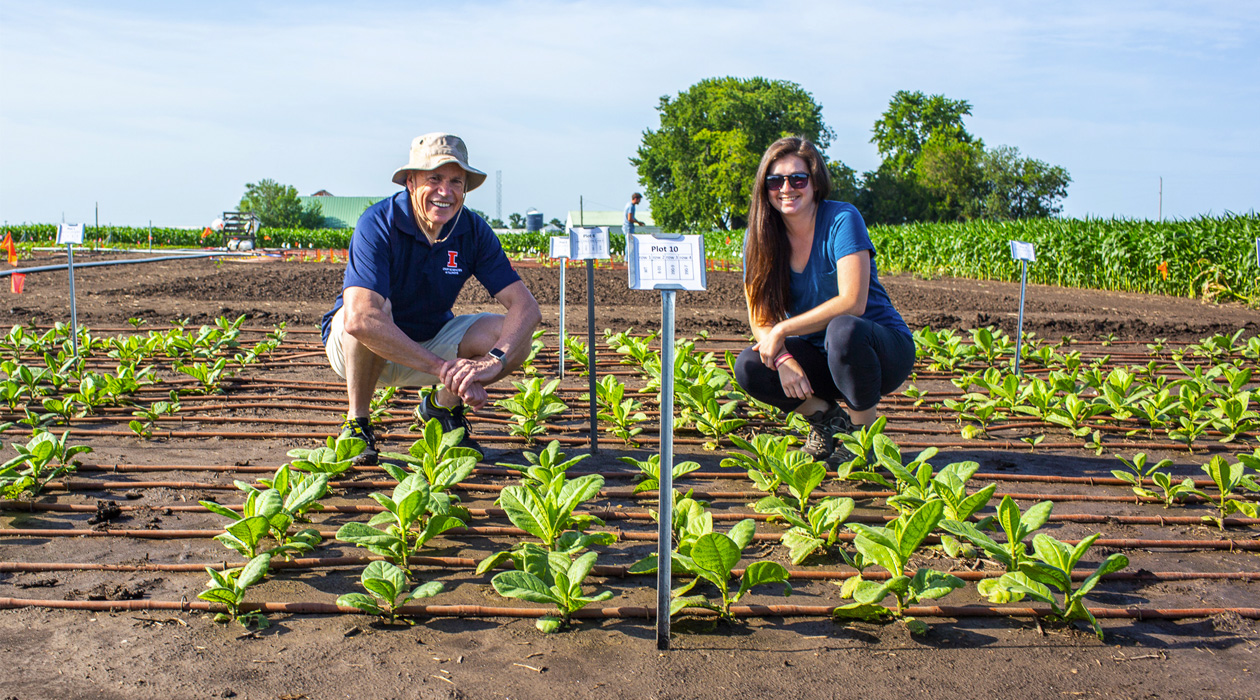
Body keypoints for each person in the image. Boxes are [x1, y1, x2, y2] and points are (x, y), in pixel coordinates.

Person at [321, 133, 541, 465]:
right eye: (434, 179)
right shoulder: (378, 223)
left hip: (430, 337)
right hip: (359, 351)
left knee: (515, 337)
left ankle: (441, 408)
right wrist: (443, 369)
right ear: (410, 182)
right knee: (371, 313)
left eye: (456, 181)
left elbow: (527, 307)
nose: (445, 192)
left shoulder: (472, 230)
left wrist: (493, 361)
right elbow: (359, 319)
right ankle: (358, 423)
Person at [734, 136, 915, 461]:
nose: (786, 188)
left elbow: (852, 302)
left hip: (877, 352)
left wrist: (782, 331)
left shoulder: (842, 220)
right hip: (820, 358)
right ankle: (827, 419)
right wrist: (784, 359)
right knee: (750, 365)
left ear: (815, 182)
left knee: (843, 329)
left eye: (797, 178)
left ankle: (862, 441)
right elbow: (760, 318)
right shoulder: (758, 237)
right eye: (775, 180)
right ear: (765, 187)